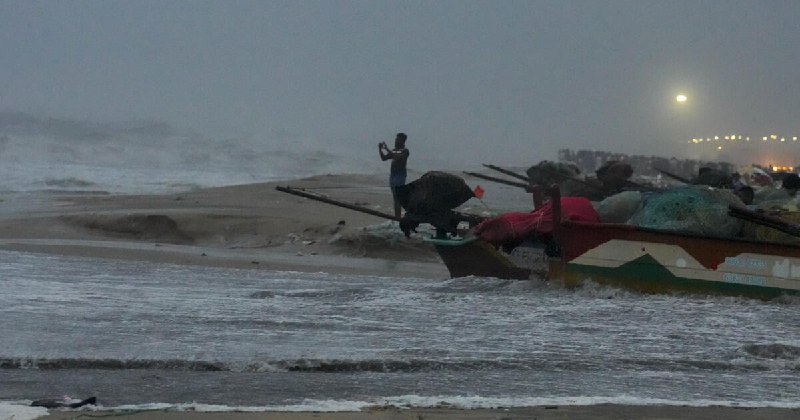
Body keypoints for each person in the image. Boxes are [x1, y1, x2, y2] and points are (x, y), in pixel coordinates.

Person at [378, 132, 410, 218]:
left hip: (400, 175)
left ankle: (399, 217)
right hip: (393, 175)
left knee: (398, 197)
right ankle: (397, 217)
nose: (395, 140)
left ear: (402, 141)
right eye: (396, 139)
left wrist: (387, 148)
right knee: (395, 198)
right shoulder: (394, 150)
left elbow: (397, 157)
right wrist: (380, 149)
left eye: (397, 139)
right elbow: (384, 158)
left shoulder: (405, 151)